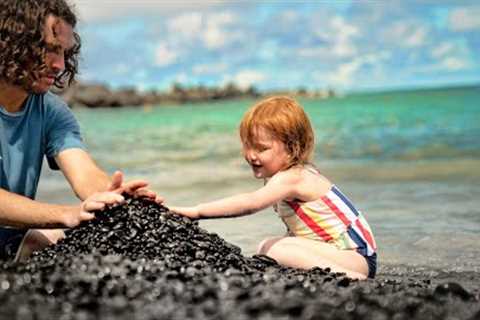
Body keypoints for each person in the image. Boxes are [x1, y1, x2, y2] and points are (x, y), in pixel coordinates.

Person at [0, 0, 161, 261]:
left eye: (64, 52)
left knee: (56, 238)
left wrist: (112, 195)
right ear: (11, 41)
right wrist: (66, 213)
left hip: (10, 248)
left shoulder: (51, 111)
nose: (60, 65)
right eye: (50, 49)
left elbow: (83, 173)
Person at [171, 96, 377, 279]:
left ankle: (353, 279)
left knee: (270, 248)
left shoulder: (294, 177)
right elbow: (302, 231)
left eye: (261, 148)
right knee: (273, 248)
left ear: (292, 148)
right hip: (338, 253)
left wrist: (196, 212)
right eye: (247, 145)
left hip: (355, 257)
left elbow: (251, 203)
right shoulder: (283, 177)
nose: (251, 155)